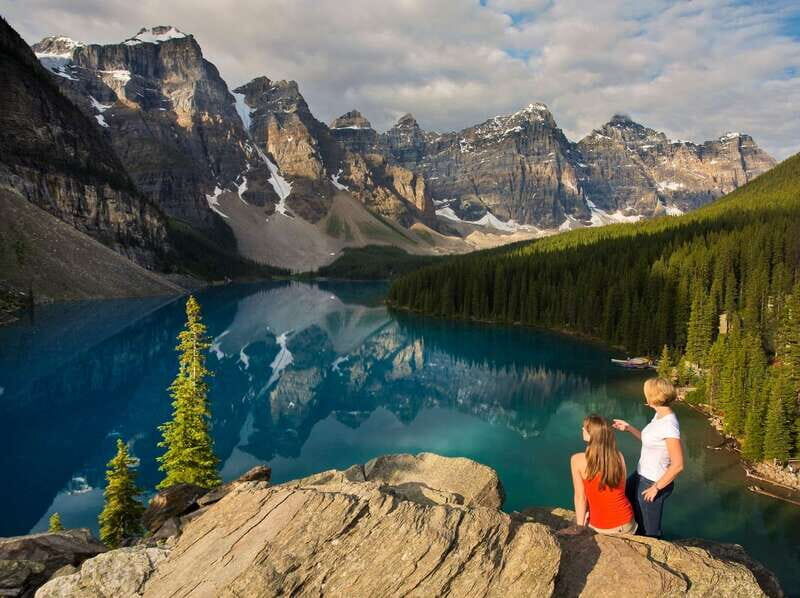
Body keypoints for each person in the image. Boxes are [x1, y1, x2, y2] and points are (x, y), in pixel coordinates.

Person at [613, 377, 684, 538]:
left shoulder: (669, 425)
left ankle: (651, 550)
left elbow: (678, 465)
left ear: (652, 397)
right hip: (641, 474)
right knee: (626, 503)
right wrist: (629, 428)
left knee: (649, 529)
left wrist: (656, 488)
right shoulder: (659, 415)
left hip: (653, 481)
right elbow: (651, 441)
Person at [570, 414, 637, 534]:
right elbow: (621, 489)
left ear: (592, 435)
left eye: (586, 428)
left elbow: (580, 497)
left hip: (604, 527)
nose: (582, 429)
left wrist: (580, 527)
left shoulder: (577, 460)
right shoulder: (619, 456)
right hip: (628, 523)